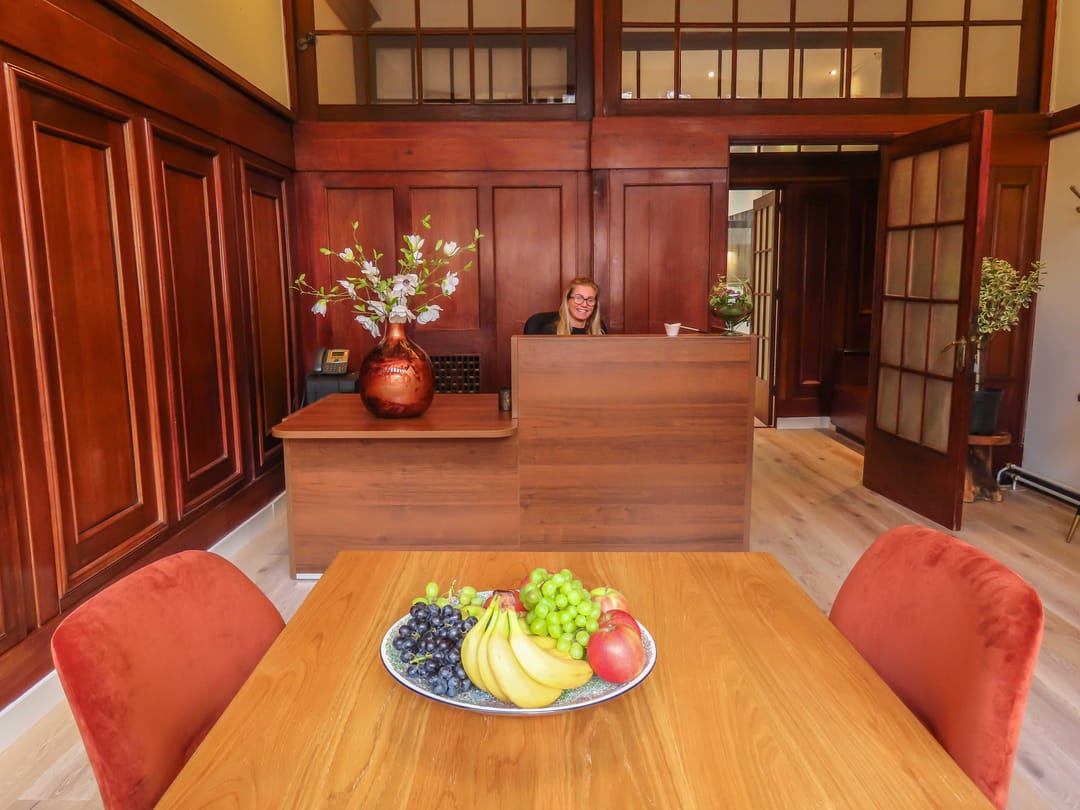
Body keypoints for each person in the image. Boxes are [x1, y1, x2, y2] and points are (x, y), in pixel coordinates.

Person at [535, 277, 606, 335]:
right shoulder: (551, 331)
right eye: (578, 298)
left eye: (590, 300)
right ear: (567, 301)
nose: (584, 304)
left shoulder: (600, 330)